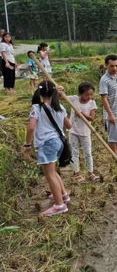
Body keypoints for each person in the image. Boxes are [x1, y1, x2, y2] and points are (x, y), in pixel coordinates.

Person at [23, 81, 72, 216]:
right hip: (59, 142)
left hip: (47, 143)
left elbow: (31, 127)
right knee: (53, 171)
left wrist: (27, 145)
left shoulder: (37, 108)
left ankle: (59, 205)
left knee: (49, 174)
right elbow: (69, 126)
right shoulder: (60, 107)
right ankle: (63, 195)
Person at [68, 82, 99, 182]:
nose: (89, 96)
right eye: (86, 94)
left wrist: (81, 114)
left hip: (85, 132)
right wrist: (59, 89)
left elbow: (92, 118)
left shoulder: (92, 103)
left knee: (88, 153)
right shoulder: (74, 99)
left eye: (91, 94)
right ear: (80, 94)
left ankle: (90, 173)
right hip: (73, 131)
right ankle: (77, 174)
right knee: (74, 153)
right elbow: (59, 96)